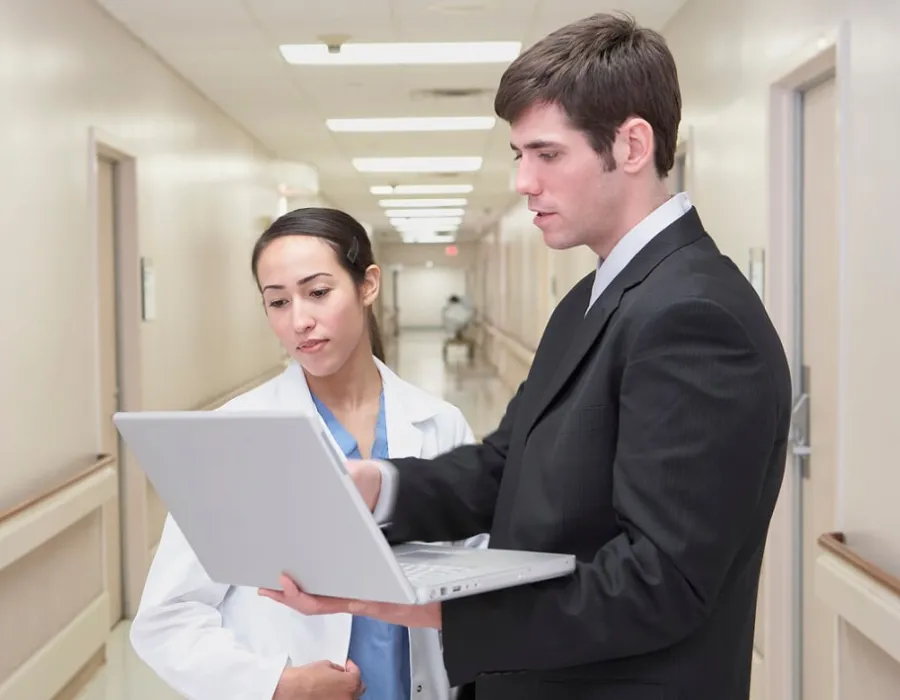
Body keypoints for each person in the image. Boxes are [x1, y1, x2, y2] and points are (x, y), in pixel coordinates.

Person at [261, 12, 793, 700]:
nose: (522, 181)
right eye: (519, 155)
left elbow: (660, 581)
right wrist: (380, 485)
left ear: (631, 145)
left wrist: (436, 610)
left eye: (546, 154)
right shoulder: (595, 298)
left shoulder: (695, 317)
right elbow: (505, 467)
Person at [130, 207, 487, 700]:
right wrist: (276, 684)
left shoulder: (439, 424)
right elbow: (165, 617)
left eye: (318, 293)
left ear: (368, 285)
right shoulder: (236, 434)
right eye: (277, 302)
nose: (300, 320)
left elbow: (481, 584)